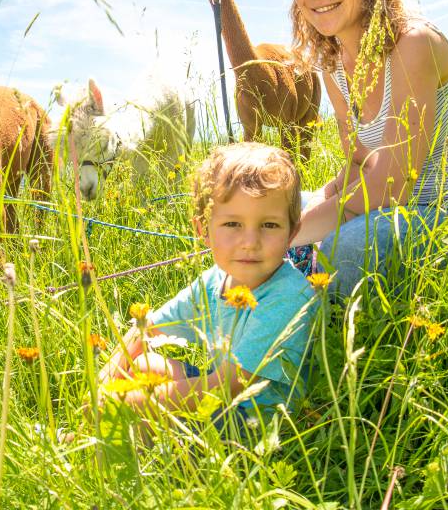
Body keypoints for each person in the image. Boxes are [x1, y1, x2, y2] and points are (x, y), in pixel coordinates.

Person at [285, 0, 448, 295]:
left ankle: (325, 333)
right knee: (272, 213)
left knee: (349, 244)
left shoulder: (413, 43)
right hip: (388, 209)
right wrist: (291, 216)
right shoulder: (333, 65)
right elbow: (360, 162)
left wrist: (289, 237)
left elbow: (391, 184)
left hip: (447, 214)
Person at [97, 142, 320, 419]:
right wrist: (101, 387)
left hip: (256, 423)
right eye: (232, 224)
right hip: (223, 397)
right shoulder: (214, 282)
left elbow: (228, 385)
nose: (250, 243)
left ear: (292, 232)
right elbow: (147, 329)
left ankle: (125, 449)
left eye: (269, 225)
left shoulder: (289, 296)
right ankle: (109, 436)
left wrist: (129, 402)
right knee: (142, 365)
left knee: (139, 404)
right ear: (203, 229)